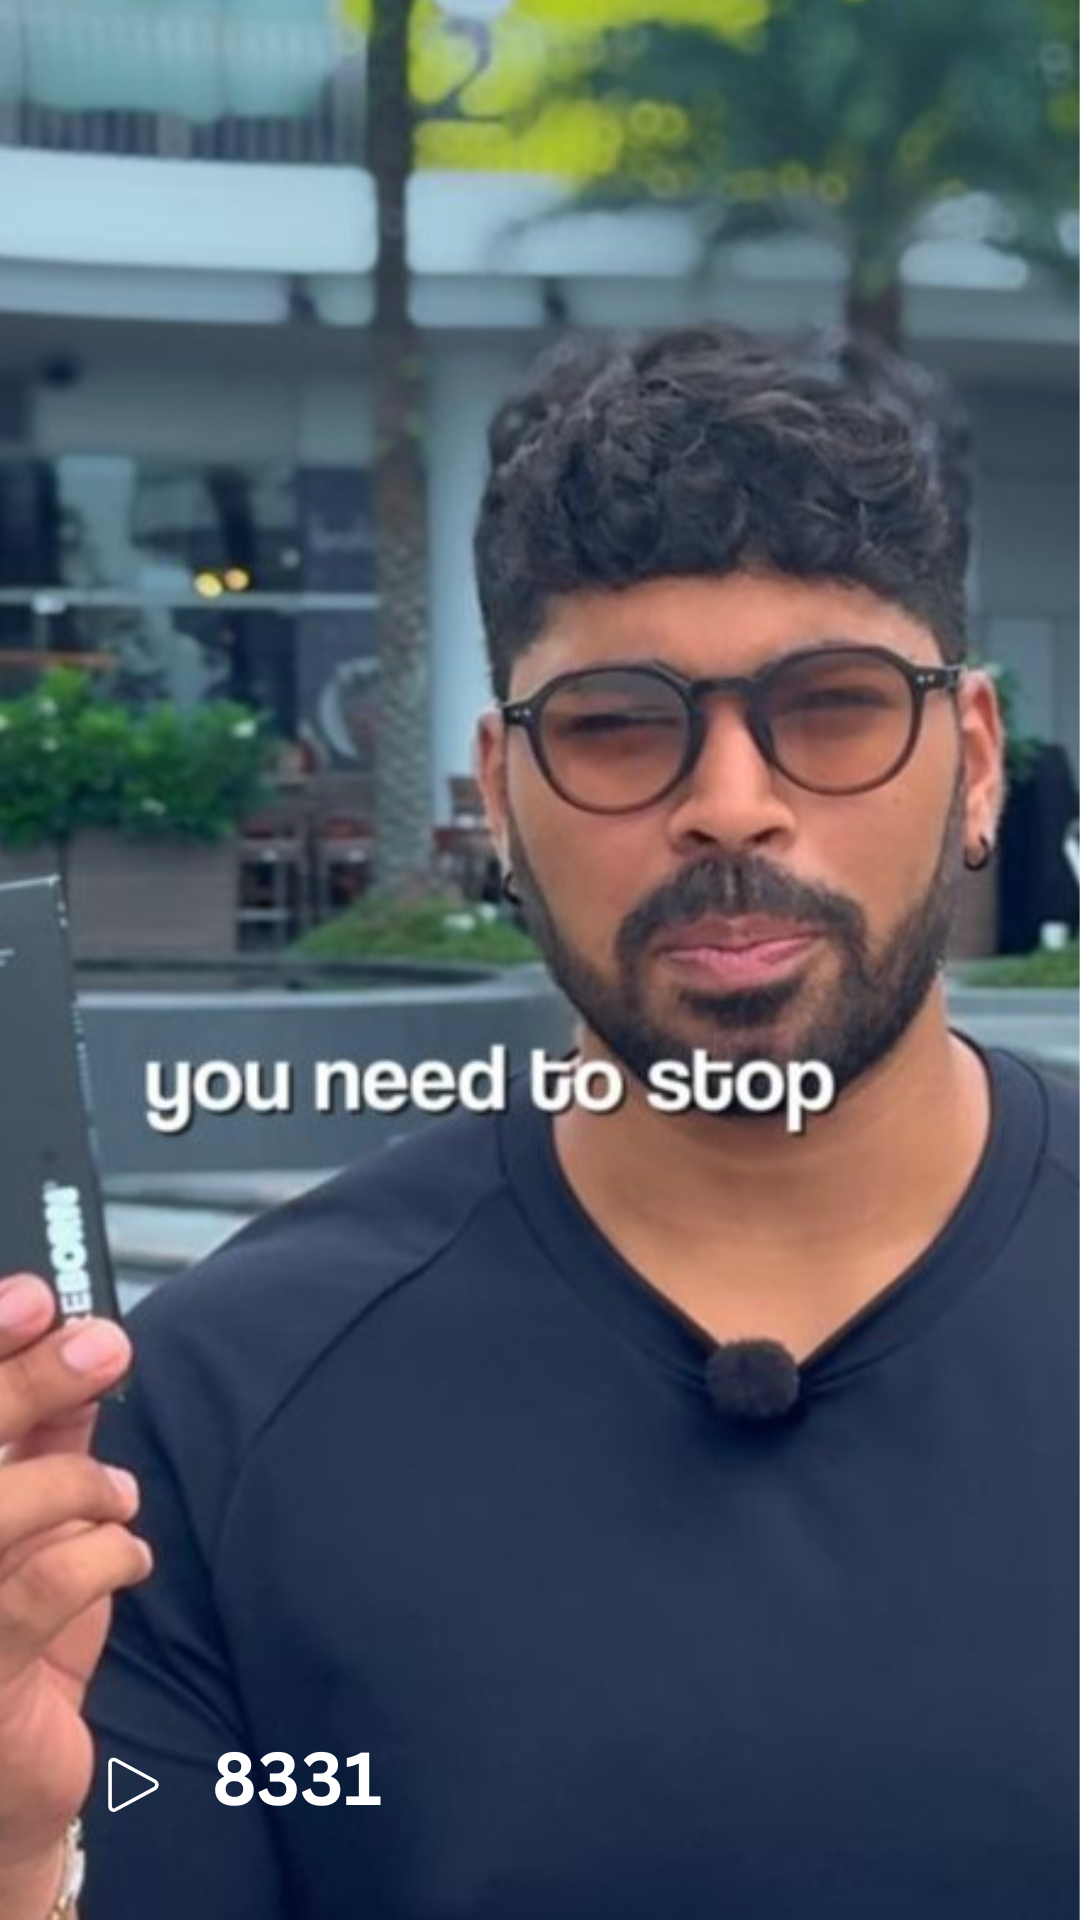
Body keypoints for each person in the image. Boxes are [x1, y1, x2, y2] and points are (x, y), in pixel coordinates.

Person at [0, 326, 1075, 1920]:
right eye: (621, 724)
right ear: (501, 791)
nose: (729, 801)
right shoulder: (215, 1428)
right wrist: (24, 1867)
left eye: (835, 706)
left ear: (974, 762)